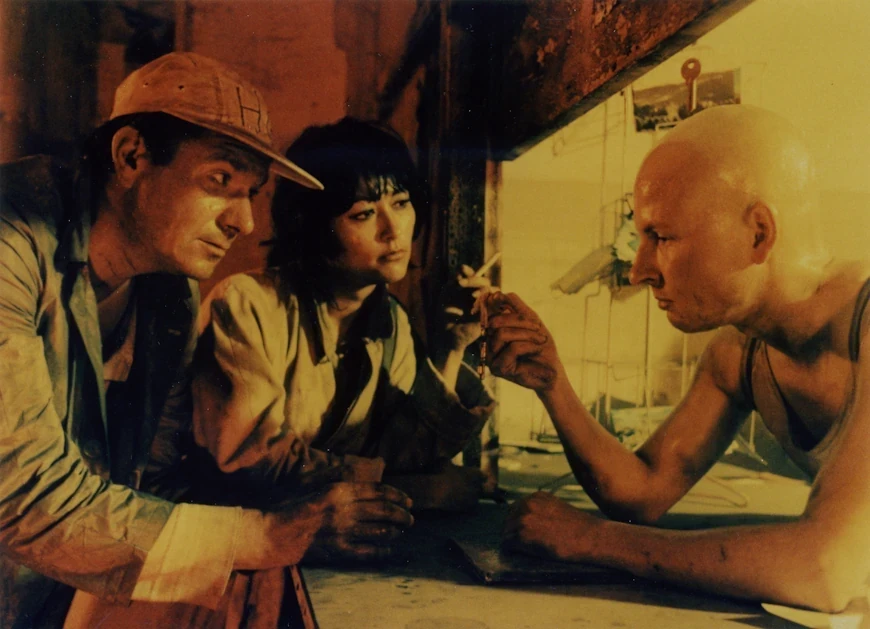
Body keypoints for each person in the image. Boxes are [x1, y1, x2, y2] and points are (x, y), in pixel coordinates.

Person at [0, 52, 413, 628]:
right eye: (220, 181)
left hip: (50, 595)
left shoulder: (169, 295)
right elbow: (25, 498)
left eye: (252, 192)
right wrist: (269, 535)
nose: (244, 221)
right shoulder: (12, 241)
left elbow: (155, 482)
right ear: (131, 156)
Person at [485, 105, 870, 613]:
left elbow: (825, 567)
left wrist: (593, 540)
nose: (638, 272)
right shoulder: (739, 353)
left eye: (661, 237)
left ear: (758, 233)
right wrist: (552, 382)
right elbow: (643, 491)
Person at [190, 116, 494, 512]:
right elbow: (253, 460)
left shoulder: (391, 321)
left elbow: (407, 454)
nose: (393, 230)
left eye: (401, 203)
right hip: (240, 533)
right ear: (315, 226)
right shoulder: (247, 303)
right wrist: (412, 492)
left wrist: (450, 346)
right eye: (363, 213)